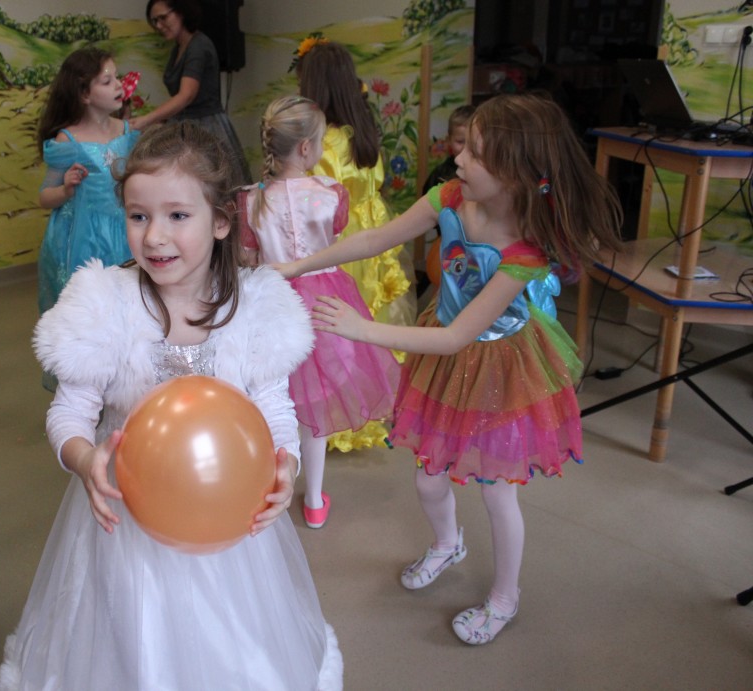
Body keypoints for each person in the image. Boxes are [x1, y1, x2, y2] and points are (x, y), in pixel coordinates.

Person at [0, 121, 342, 690]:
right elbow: (69, 414)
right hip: (126, 524)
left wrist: (286, 463)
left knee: (228, 646)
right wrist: (84, 459)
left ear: (222, 221)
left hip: (228, 519)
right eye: (138, 216)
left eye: (178, 215)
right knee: (132, 646)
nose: (155, 236)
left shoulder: (255, 308)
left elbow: (274, 409)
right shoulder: (104, 304)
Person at [277, 93, 623, 645]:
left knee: (497, 492)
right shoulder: (451, 196)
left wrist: (361, 328)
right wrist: (300, 265)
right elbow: (376, 238)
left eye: (475, 152)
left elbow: (457, 337)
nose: (457, 156)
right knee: (427, 476)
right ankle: (447, 543)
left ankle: (505, 597)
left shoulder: (525, 251)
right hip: (446, 358)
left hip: (500, 365)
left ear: (515, 174)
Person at [238, 95, 399, 529]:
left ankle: (266, 487)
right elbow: (336, 237)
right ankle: (312, 501)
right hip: (324, 303)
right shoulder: (331, 194)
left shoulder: (251, 201)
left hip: (271, 302)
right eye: (322, 141)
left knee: (271, 397)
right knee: (314, 407)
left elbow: (248, 259)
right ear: (307, 148)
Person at [296, 39, 413, 452]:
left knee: (336, 327)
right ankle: (369, 401)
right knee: (365, 318)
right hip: (369, 236)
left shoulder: (324, 144)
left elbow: (313, 200)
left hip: (339, 243)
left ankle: (340, 415)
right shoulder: (362, 132)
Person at [36, 47, 139, 317]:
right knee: (90, 309)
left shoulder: (126, 131)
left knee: (128, 303)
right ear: (84, 94)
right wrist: (65, 189)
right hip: (83, 240)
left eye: (117, 77)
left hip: (124, 232)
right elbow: (44, 196)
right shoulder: (68, 140)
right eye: (107, 81)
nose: (119, 85)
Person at [131, 0, 252, 183]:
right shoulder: (180, 47)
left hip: (206, 128)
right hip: (185, 126)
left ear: (181, 12)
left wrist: (147, 119)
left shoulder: (198, 46)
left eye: (163, 18)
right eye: (155, 21)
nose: (159, 26)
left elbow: (186, 95)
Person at [420, 104, 475, 292]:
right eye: (460, 142)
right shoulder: (441, 174)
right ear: (449, 139)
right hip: (446, 245)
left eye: (471, 143)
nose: (465, 150)